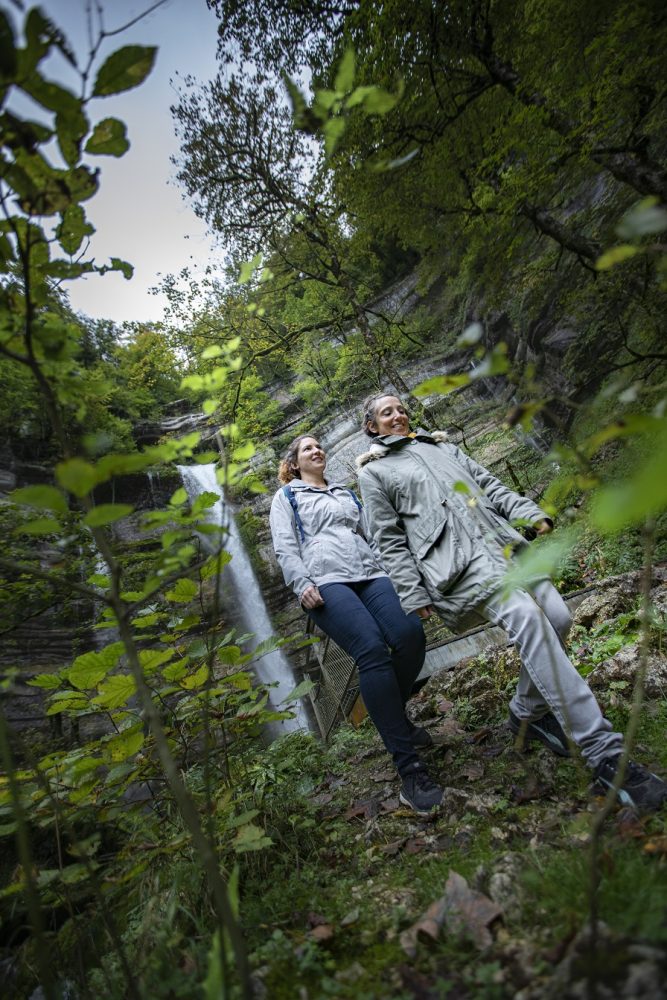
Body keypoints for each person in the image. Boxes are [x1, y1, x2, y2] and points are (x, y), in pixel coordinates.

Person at [356, 394, 667, 813]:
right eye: (386, 412)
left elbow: (489, 485)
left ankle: (525, 713)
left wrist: (526, 512)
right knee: (528, 620)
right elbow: (389, 539)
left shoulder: (441, 446)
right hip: (460, 565)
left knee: (557, 617)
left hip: (503, 547)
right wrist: (413, 593)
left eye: (400, 408)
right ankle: (604, 755)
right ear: (373, 427)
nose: (398, 414)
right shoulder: (376, 473)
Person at [270, 433, 442, 814]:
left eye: (319, 445)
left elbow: (375, 534)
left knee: (410, 634)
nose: (317, 450)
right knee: (372, 650)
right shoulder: (288, 497)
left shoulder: (345, 493)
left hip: (370, 573)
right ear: (295, 463)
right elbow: (284, 544)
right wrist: (302, 583)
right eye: (307, 448)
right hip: (326, 581)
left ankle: (392, 714)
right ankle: (410, 770)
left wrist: (396, 574)